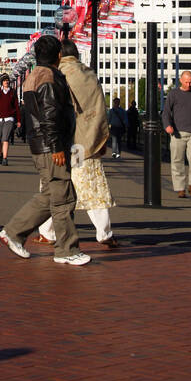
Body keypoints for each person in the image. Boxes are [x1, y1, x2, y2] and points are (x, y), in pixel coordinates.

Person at [0, 35, 91, 267]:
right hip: (51, 145)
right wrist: (57, 146)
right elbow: (50, 114)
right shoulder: (48, 76)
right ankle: (67, 250)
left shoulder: (34, 76)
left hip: (40, 144)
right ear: (58, 55)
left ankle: (13, 232)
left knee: (51, 193)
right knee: (63, 197)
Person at [38, 38, 118, 248]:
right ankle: (105, 232)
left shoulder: (57, 74)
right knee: (91, 187)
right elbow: (101, 109)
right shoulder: (90, 75)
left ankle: (47, 231)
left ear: (59, 55)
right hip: (86, 141)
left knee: (54, 185)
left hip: (65, 141)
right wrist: (100, 139)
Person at [162, 70, 191, 197]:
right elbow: (166, 112)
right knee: (177, 160)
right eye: (186, 82)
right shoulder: (174, 94)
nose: (189, 85)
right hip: (177, 133)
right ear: (180, 80)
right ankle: (180, 188)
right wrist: (167, 125)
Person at [0, 74, 21, 166]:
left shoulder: (12, 92)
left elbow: (16, 107)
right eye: (4, 80)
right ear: (2, 82)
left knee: (5, 139)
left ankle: (5, 158)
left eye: (7, 80)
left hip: (9, 119)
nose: (6, 82)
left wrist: (18, 120)